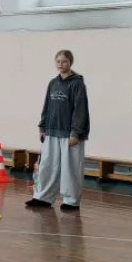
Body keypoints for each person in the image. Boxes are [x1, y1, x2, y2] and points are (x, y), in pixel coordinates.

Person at [27, 49, 90, 211]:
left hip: (70, 134)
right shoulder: (53, 83)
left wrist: (75, 133)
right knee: (47, 166)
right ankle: (43, 197)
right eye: (58, 61)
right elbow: (47, 106)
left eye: (64, 61)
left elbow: (80, 110)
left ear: (70, 63)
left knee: (71, 168)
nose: (60, 64)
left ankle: (71, 200)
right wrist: (42, 126)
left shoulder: (77, 83)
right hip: (51, 131)